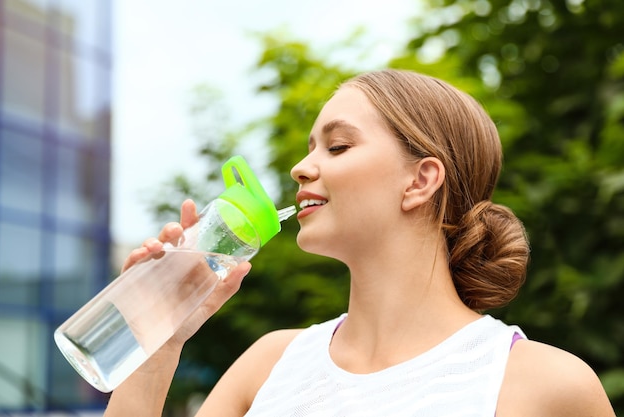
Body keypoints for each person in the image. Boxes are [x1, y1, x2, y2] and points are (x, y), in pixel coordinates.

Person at [105, 69, 615, 416]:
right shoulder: (269, 363)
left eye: (338, 145)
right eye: (311, 149)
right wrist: (158, 343)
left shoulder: (545, 385)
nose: (300, 168)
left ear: (420, 180)